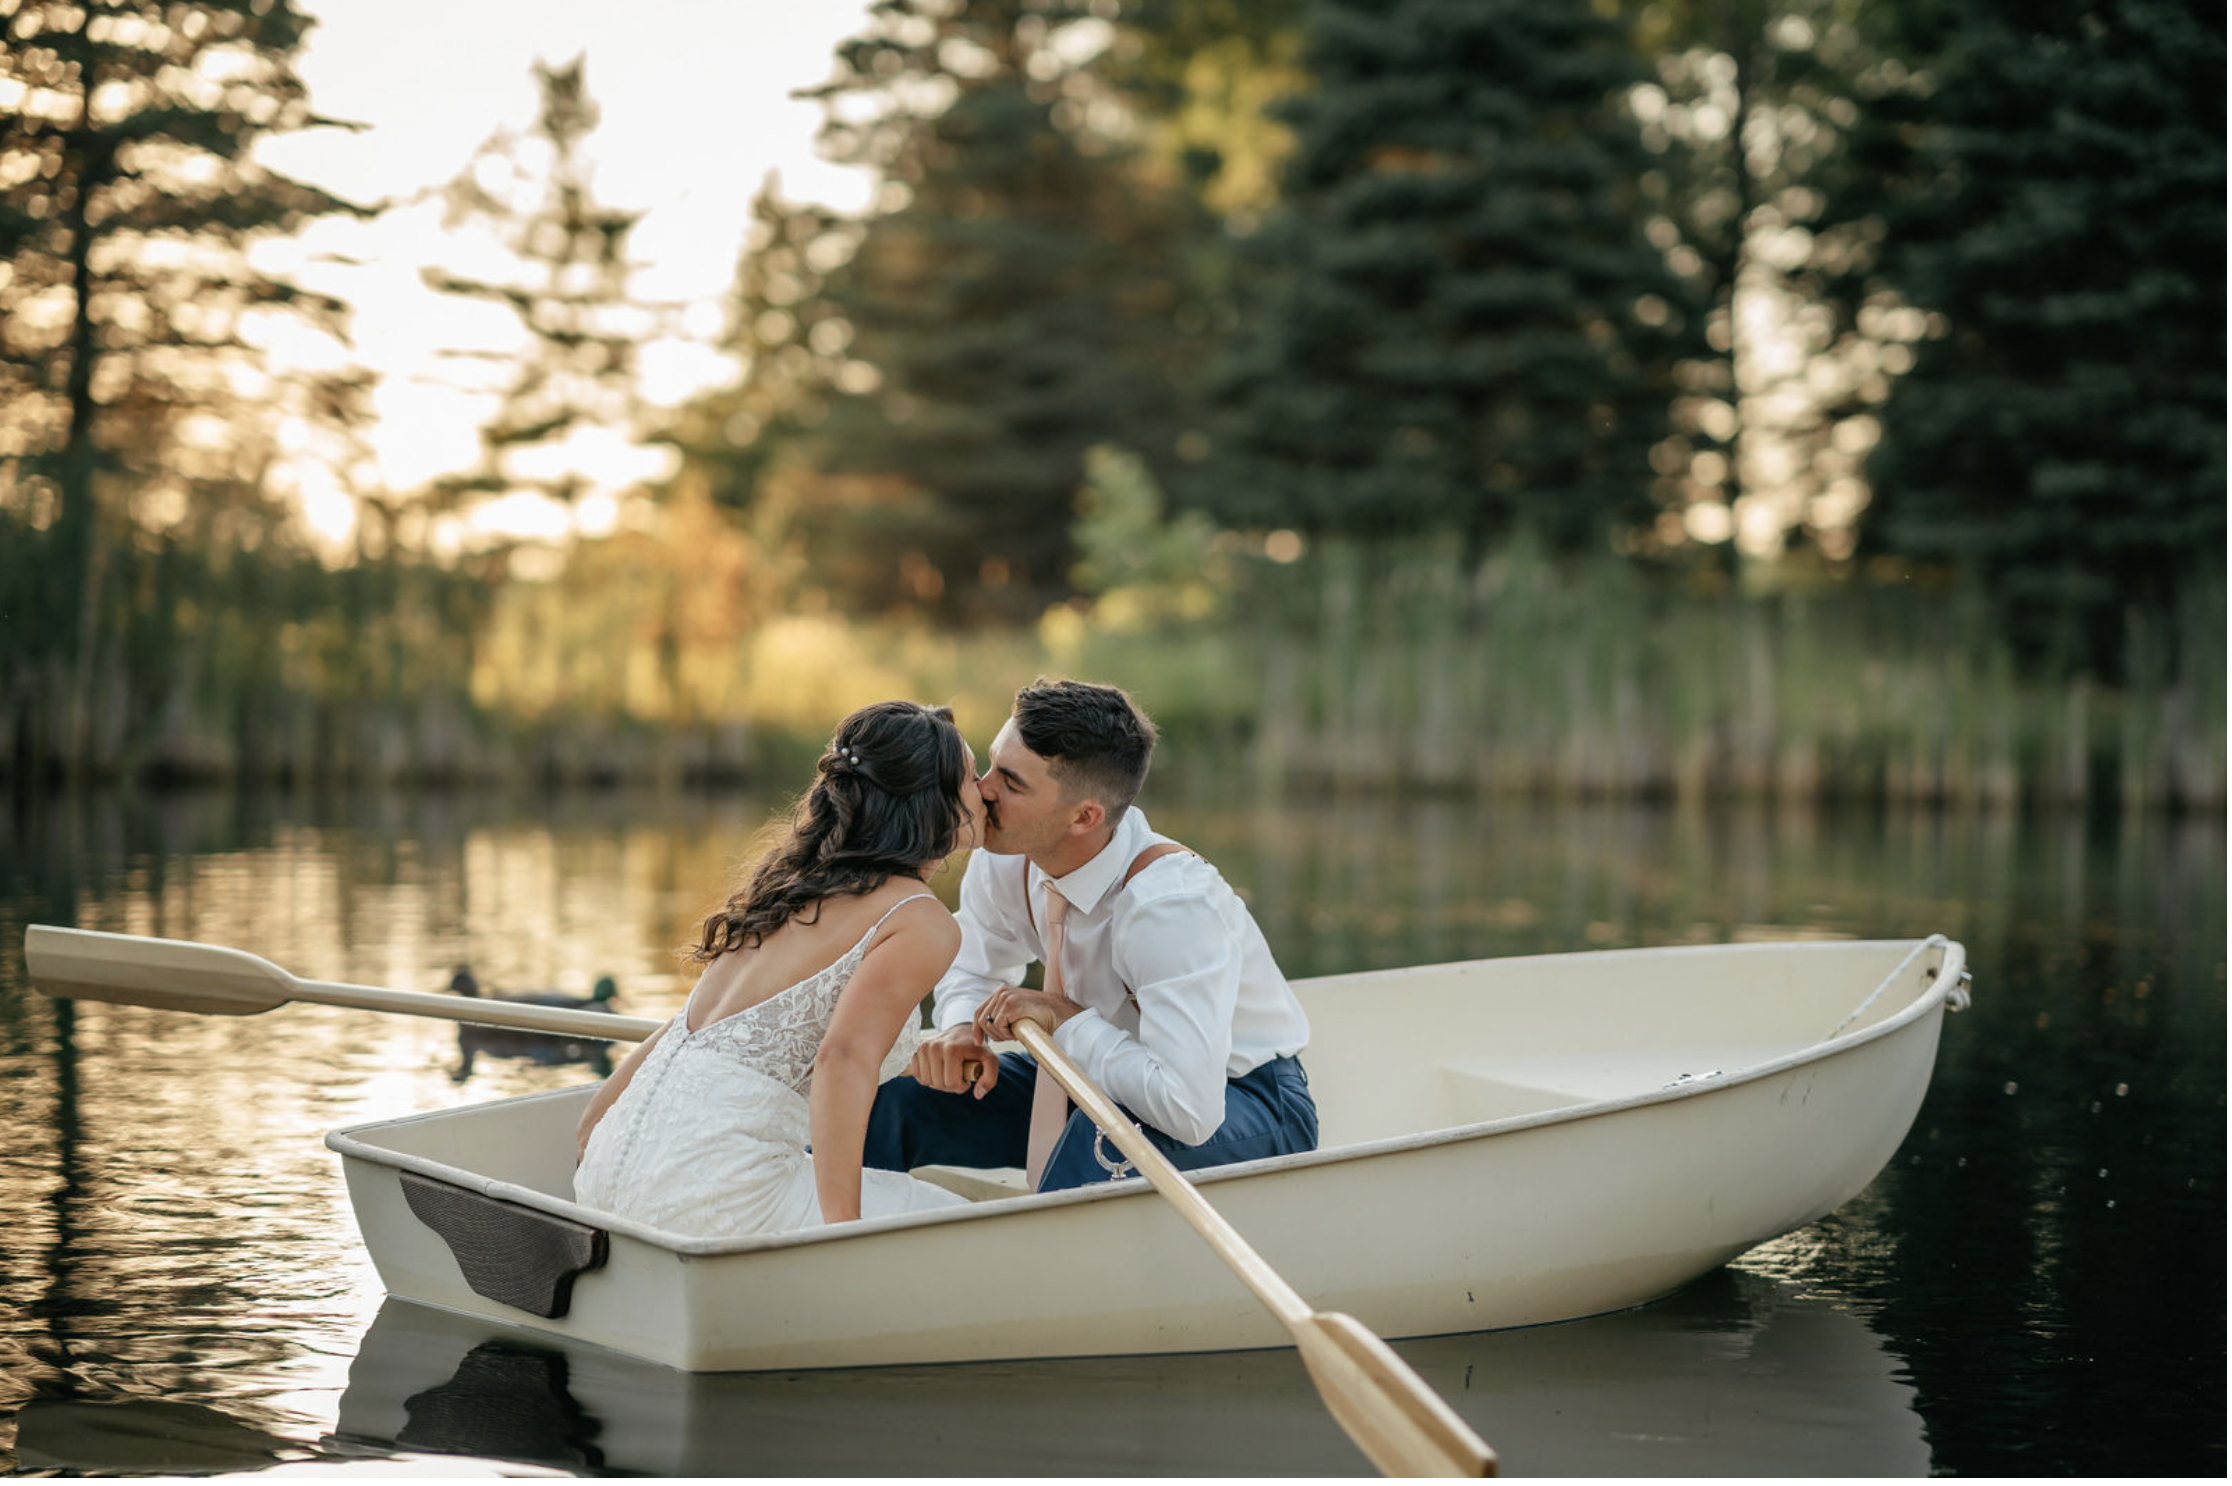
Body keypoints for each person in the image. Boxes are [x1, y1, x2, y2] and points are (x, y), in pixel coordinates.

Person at [863, 677, 1316, 1192]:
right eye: (991, 764)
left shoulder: (1167, 905)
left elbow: (1189, 1110)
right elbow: (972, 965)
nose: (982, 789)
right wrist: (961, 1026)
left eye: (1011, 783)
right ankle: (842, 1245)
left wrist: (1063, 1020)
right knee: (891, 1099)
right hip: (1087, 1074)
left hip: (1244, 1101)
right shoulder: (1005, 859)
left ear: (1084, 816)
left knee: (1098, 1140)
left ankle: (1036, 1262)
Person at [572, 700, 982, 1236]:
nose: (988, 789)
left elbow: (686, 1031)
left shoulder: (787, 890)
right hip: (716, 1196)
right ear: (934, 803)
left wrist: (590, 1138)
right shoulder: (919, 918)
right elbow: (842, 1057)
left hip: (604, 1178)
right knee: (969, 1227)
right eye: (973, 777)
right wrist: (843, 1233)